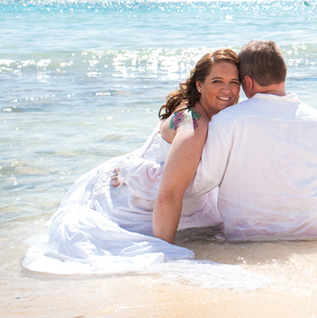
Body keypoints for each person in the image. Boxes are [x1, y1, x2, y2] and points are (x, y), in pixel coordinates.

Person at [23, 49, 241, 273]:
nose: (227, 90)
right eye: (217, 81)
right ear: (199, 85)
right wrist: (164, 252)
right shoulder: (193, 124)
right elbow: (168, 195)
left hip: (150, 187)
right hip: (138, 205)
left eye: (234, 82)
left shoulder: (201, 111)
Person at [154, 40, 317, 242]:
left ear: (246, 82)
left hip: (246, 238)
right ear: (283, 75)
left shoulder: (227, 121)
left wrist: (154, 174)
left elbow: (200, 183)